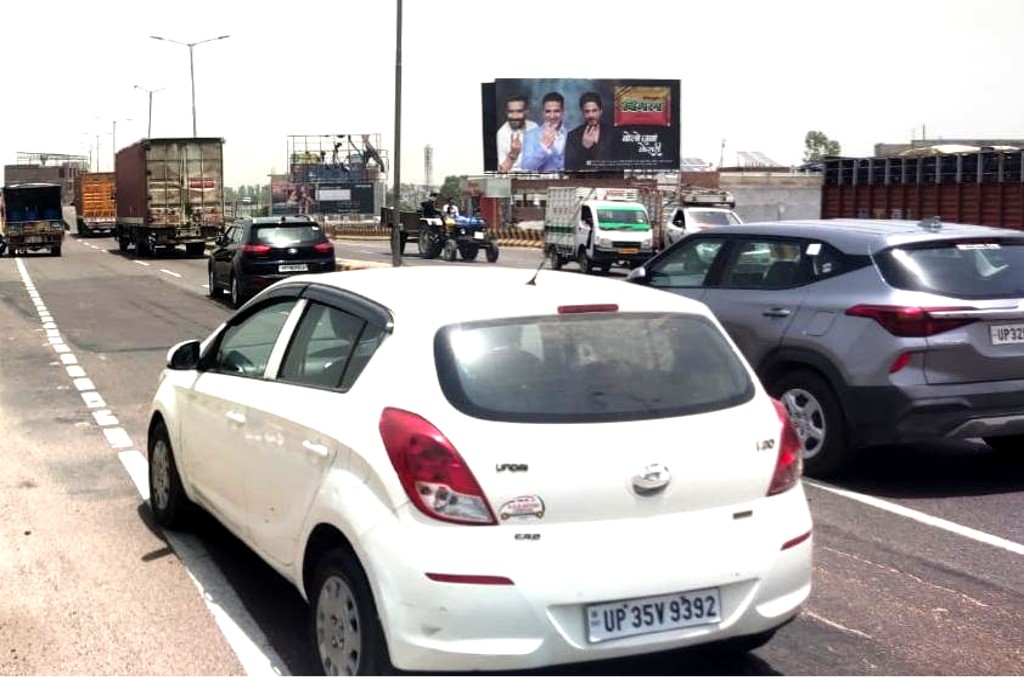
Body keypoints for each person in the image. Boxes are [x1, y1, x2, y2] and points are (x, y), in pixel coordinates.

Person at [565, 91, 614, 172]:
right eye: (587, 111)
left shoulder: (613, 134)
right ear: (582, 112)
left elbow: (618, 164)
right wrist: (584, 148)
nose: (591, 115)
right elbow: (569, 168)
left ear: (601, 111)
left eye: (594, 111)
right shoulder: (572, 136)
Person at [520, 92, 567, 173]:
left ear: (562, 112)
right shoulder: (530, 135)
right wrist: (543, 147)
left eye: (556, 111)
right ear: (543, 112)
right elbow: (526, 167)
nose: (552, 116)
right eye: (548, 111)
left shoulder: (572, 135)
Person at [496, 94, 538, 173]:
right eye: (511, 112)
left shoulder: (534, 127)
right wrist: (513, 154)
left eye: (519, 111)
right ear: (506, 112)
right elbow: (500, 171)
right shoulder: (501, 134)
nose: (515, 116)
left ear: (526, 111)